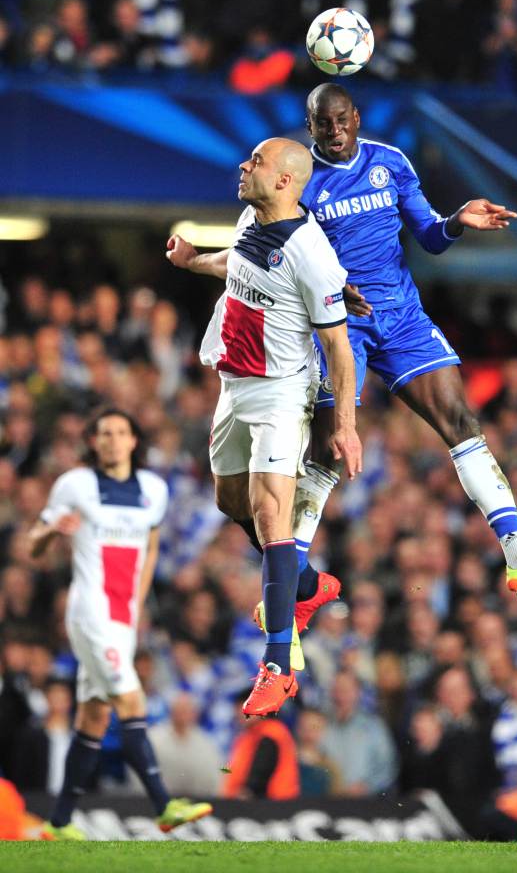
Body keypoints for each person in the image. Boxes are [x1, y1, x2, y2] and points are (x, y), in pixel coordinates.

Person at [293, 82, 517, 601]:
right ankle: (287, 581)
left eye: (344, 120)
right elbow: (283, 258)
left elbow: (429, 235)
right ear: (311, 126)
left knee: (462, 422)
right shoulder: (297, 180)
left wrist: (457, 220)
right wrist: (326, 287)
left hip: (403, 317)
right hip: (340, 326)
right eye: (325, 123)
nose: (336, 131)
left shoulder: (390, 162)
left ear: (358, 118)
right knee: (327, 450)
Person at [166, 136, 361, 718]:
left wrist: (345, 426)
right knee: (232, 502)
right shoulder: (254, 215)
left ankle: (277, 665)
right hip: (235, 383)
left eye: (256, 162)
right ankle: (306, 585)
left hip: (281, 392)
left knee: (271, 513)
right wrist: (194, 261)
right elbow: (239, 261)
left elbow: (339, 348)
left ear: (284, 181)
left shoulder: (312, 254)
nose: (244, 167)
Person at [29, 408, 212, 841]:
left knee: (94, 716)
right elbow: (34, 544)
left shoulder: (153, 489)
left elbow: (149, 548)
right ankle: (164, 806)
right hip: (90, 611)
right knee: (132, 701)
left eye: (121, 432)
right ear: (93, 442)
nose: (112, 440)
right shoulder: (75, 485)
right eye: (104, 433)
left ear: (134, 440)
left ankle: (58, 822)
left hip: (122, 615)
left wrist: (135, 605)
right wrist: (53, 532)